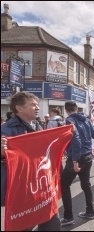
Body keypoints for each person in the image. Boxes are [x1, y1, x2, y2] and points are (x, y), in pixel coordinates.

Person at [1, 92, 61, 231]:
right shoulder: (6, 130)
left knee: (51, 222)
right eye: (33, 105)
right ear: (19, 108)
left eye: (37, 104)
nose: (38, 108)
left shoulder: (38, 126)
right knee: (24, 224)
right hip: (23, 188)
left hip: (42, 183)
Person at [60, 101, 94, 226]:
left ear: (66, 110)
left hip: (77, 157)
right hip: (88, 156)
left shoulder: (69, 121)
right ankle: (90, 211)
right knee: (86, 184)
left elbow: (76, 140)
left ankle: (68, 217)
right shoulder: (86, 120)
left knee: (64, 185)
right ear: (77, 108)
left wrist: (75, 160)